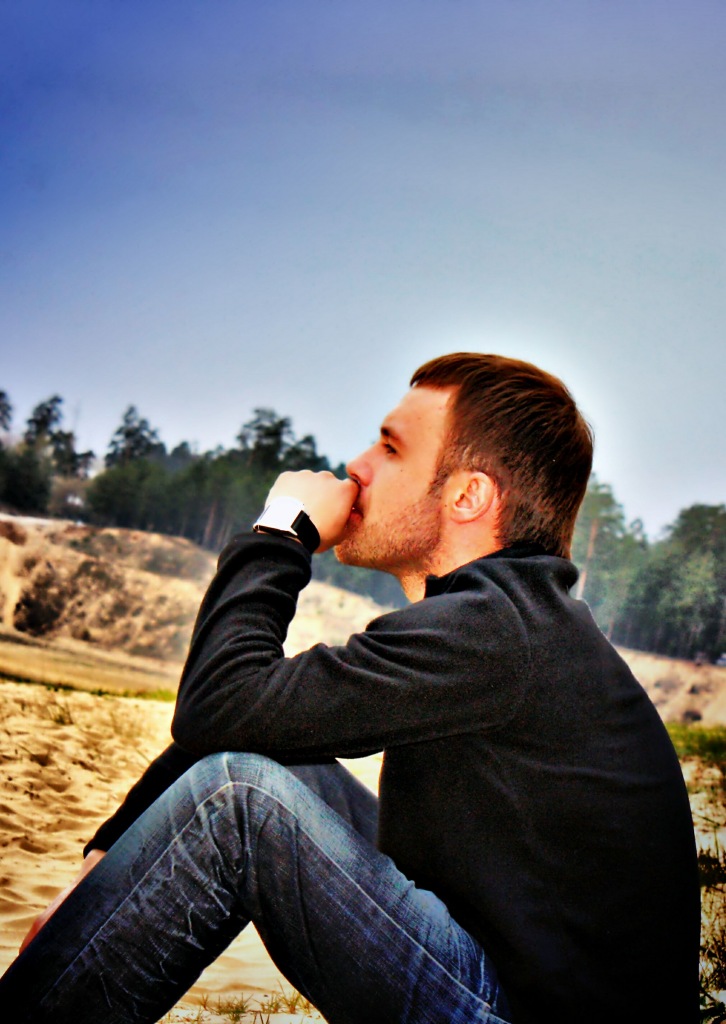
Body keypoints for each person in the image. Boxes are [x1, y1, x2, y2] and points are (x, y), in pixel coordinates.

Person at [0, 353, 699, 1023]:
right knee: (275, 762)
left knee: (243, 801)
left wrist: (283, 530)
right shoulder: (504, 619)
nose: (357, 467)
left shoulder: (497, 629)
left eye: (390, 448)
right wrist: (104, 859)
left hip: (517, 1011)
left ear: (468, 495)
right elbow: (249, 717)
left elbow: (219, 702)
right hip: (499, 974)